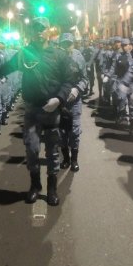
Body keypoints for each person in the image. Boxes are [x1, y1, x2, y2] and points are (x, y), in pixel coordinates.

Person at [0, 17, 76, 206]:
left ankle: (52, 188)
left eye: (42, 28)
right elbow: (5, 68)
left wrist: (59, 99)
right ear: (32, 31)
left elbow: (69, 80)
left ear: (49, 31)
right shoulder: (24, 53)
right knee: (31, 148)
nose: (39, 31)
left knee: (52, 151)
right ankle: (35, 185)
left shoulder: (60, 55)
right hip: (31, 109)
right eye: (36, 28)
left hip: (52, 109)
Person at [58, 33, 87, 172]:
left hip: (74, 101)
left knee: (74, 131)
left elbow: (85, 79)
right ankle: (66, 158)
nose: (66, 47)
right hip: (60, 102)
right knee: (62, 131)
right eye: (64, 44)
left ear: (73, 44)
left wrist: (77, 89)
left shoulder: (78, 57)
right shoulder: (55, 58)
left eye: (69, 44)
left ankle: (74, 159)